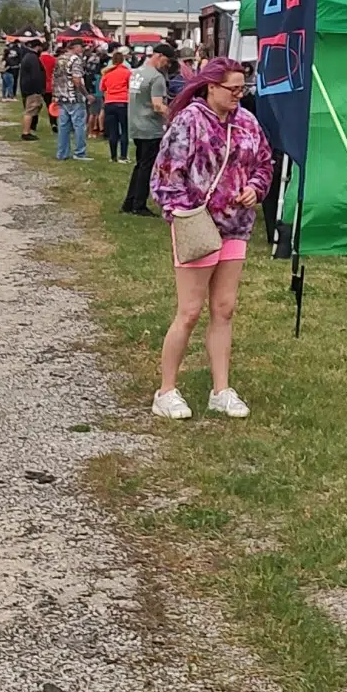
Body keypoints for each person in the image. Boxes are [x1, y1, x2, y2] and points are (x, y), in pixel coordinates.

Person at [149, 57, 275, 419]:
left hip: (236, 226)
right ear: (210, 87)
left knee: (224, 308)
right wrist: (189, 214)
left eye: (242, 89)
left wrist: (254, 188)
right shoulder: (188, 122)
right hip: (197, 226)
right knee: (189, 311)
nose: (239, 95)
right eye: (232, 89)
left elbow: (265, 163)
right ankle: (166, 390)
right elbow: (166, 178)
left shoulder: (248, 123)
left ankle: (221, 390)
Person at [124, 46, 173, 214]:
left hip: (136, 125)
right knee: (147, 168)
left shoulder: (137, 72)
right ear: (159, 56)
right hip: (151, 128)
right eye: (166, 61)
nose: (166, 65)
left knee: (140, 166)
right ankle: (139, 205)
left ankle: (129, 202)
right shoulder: (156, 78)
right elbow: (158, 105)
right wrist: (174, 116)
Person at [54, 40, 95, 161]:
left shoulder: (60, 59)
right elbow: (77, 80)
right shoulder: (75, 60)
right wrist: (87, 95)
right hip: (74, 97)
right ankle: (80, 152)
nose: (82, 49)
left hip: (61, 96)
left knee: (63, 126)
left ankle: (62, 153)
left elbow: (56, 78)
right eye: (81, 47)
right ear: (75, 47)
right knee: (79, 125)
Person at [101, 50, 133, 162]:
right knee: (124, 130)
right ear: (123, 60)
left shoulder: (107, 73)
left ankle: (113, 156)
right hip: (122, 102)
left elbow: (102, 88)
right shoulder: (127, 72)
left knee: (113, 131)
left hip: (109, 102)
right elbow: (131, 86)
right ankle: (123, 156)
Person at [18, 40, 50, 140]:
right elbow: (36, 75)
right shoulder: (33, 58)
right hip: (32, 89)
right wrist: (39, 89)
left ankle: (28, 131)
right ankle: (26, 132)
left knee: (31, 110)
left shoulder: (27, 56)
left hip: (27, 88)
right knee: (30, 111)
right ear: (38, 47)